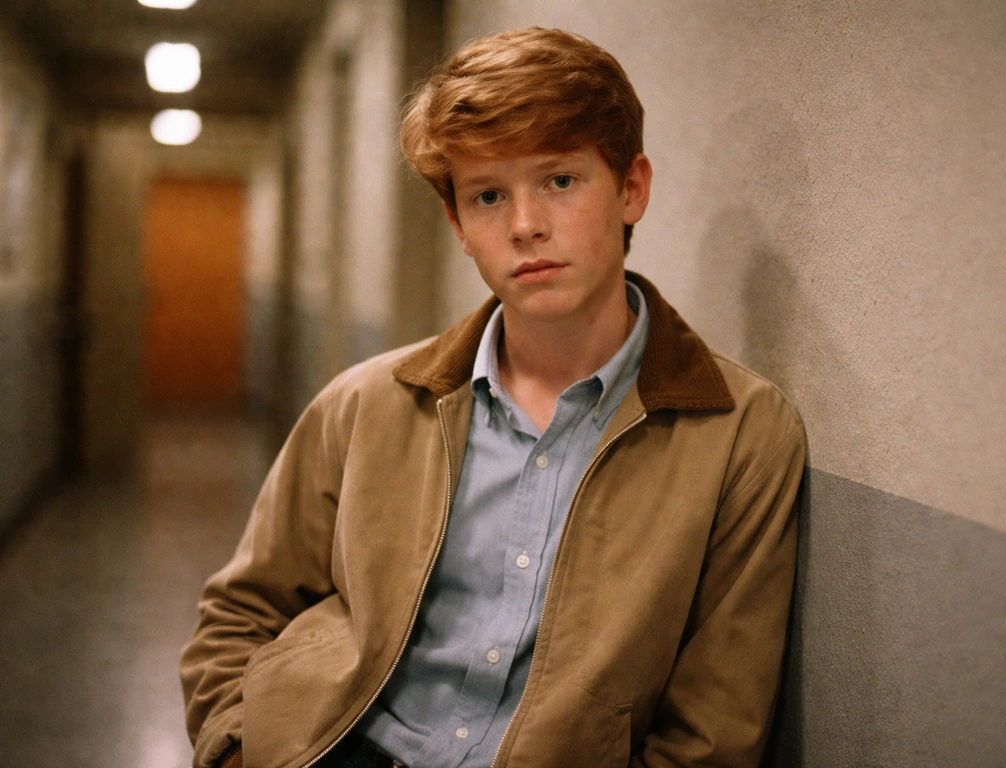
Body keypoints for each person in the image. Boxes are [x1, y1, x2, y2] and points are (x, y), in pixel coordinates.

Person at [181, 26, 805, 768]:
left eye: (561, 180)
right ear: (458, 225)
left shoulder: (740, 431)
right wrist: (236, 749)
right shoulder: (367, 403)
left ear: (631, 189)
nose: (525, 225)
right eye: (486, 195)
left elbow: (713, 732)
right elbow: (239, 613)